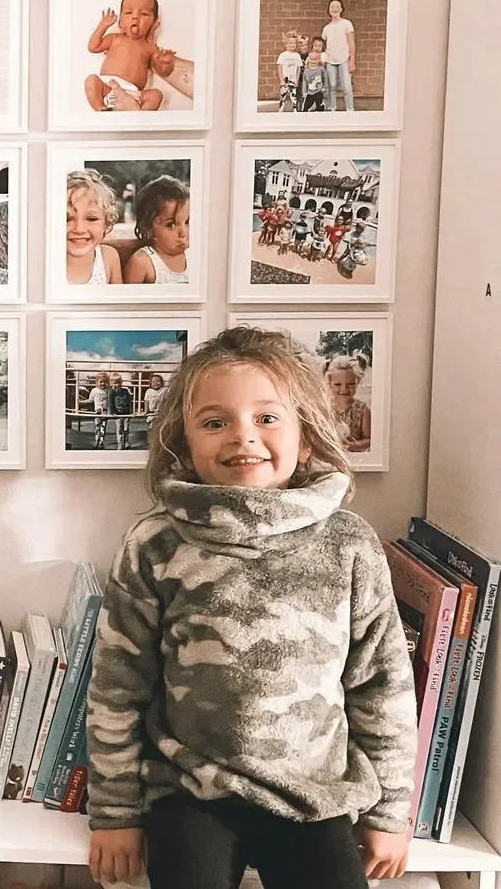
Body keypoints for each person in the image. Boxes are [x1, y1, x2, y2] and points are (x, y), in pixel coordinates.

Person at [86, 326, 416, 889]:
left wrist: (390, 810)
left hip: (314, 794)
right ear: (184, 445)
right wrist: (114, 813)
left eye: (267, 418)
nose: (244, 437)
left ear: (306, 438)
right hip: (191, 793)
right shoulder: (156, 544)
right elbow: (119, 685)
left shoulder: (349, 543)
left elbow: (381, 685)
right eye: (215, 422)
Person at [85, 0, 172, 113]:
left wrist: (165, 62)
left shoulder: (150, 47)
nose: (135, 17)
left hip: (134, 94)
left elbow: (161, 70)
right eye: (128, 12)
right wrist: (103, 25)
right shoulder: (115, 38)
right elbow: (93, 47)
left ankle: (142, 114)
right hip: (107, 87)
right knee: (91, 81)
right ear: (120, 22)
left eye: (144, 14)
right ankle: (100, 107)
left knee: (156, 95)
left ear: (153, 23)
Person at [125, 176, 190, 286]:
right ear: (148, 227)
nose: (183, 232)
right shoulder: (142, 262)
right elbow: (127, 301)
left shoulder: (194, 256)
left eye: (187, 222)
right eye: (171, 224)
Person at [66, 169, 123, 286]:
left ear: (106, 224)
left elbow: (118, 303)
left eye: (91, 219)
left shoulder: (109, 258)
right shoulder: (45, 262)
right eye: (66, 219)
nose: (79, 229)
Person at [323, 353, 372, 454]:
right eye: (337, 384)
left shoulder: (363, 410)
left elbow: (369, 440)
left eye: (351, 384)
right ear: (329, 383)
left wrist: (352, 446)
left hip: (355, 461)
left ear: (358, 382)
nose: (344, 389)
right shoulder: (323, 408)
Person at [322, 0, 356, 113]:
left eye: (337, 6)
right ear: (328, 10)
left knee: (346, 86)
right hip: (330, 60)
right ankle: (332, 108)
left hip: (344, 59)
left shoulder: (347, 23)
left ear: (341, 9)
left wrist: (352, 61)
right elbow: (322, 46)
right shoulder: (326, 28)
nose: (334, 9)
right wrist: (322, 61)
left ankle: (350, 109)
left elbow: (351, 42)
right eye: (332, 6)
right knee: (332, 86)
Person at [275, 31, 303, 111]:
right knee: (283, 95)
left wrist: (297, 80)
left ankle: (295, 109)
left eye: (294, 43)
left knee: (294, 96)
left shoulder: (297, 56)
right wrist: (281, 80)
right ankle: (281, 109)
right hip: (285, 79)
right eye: (290, 43)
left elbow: (298, 68)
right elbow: (280, 67)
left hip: (293, 80)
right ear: (286, 44)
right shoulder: (283, 55)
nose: (292, 45)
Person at [108, 373, 134, 450]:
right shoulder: (112, 392)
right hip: (117, 413)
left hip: (126, 413)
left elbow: (129, 401)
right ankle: (119, 442)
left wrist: (131, 412)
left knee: (126, 428)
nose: (117, 385)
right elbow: (110, 403)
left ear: (121, 382)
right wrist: (112, 413)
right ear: (111, 384)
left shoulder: (125, 391)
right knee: (119, 428)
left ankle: (126, 442)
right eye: (115, 383)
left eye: (119, 382)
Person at [301, 47, 327, 112]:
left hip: (319, 91)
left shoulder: (321, 69)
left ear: (319, 60)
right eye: (311, 59)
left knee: (320, 104)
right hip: (310, 92)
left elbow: (324, 78)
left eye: (315, 59)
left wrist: (324, 87)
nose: (313, 61)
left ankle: (320, 111)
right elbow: (304, 82)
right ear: (308, 60)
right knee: (306, 107)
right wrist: (304, 92)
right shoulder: (306, 71)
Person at [89, 371, 110, 449]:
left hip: (105, 411)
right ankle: (96, 440)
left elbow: (111, 401)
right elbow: (90, 400)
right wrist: (80, 402)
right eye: (101, 382)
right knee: (97, 427)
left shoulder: (108, 391)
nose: (102, 384)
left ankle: (101, 442)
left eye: (105, 382)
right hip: (97, 412)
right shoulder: (94, 390)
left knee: (103, 427)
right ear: (97, 382)